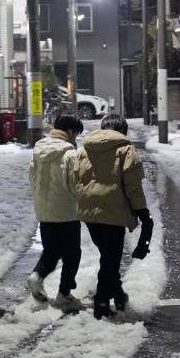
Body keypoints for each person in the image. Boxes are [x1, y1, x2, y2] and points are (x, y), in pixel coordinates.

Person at [71, 114, 151, 319]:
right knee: (110, 260)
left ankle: (118, 294)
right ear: (123, 130)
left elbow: (75, 179)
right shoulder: (126, 150)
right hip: (113, 210)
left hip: (88, 212)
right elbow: (133, 187)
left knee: (108, 256)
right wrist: (142, 212)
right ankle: (101, 302)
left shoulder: (83, 150)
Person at [26, 115, 84, 313]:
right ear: (70, 131)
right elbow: (75, 184)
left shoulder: (38, 150)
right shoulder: (70, 153)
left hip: (45, 211)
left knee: (51, 251)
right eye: (76, 133)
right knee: (72, 254)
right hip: (67, 212)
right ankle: (64, 294)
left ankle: (36, 276)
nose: (76, 137)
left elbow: (31, 178)